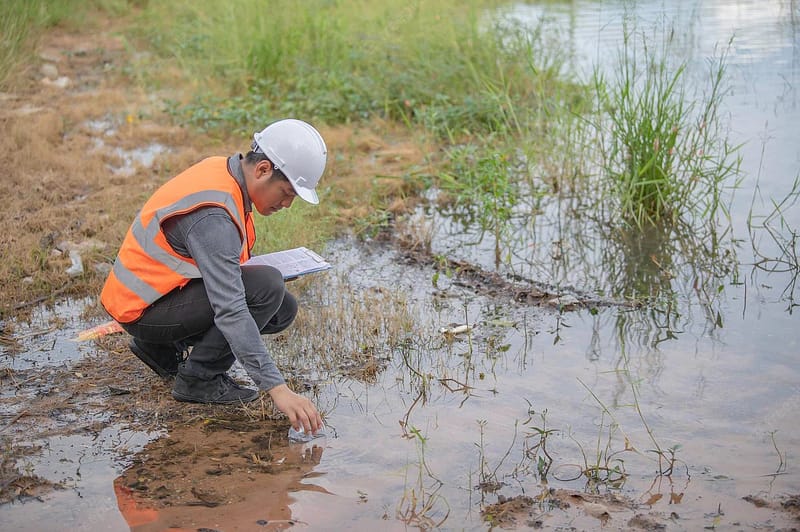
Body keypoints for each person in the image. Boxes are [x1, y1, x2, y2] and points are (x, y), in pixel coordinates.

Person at [100, 118, 325, 435]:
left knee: (282, 307)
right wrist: (278, 389)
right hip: (142, 310)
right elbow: (230, 309)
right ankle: (199, 379)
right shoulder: (213, 216)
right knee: (266, 288)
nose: (287, 204)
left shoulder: (224, 172)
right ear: (262, 170)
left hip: (156, 297)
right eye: (287, 193)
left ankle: (161, 348)